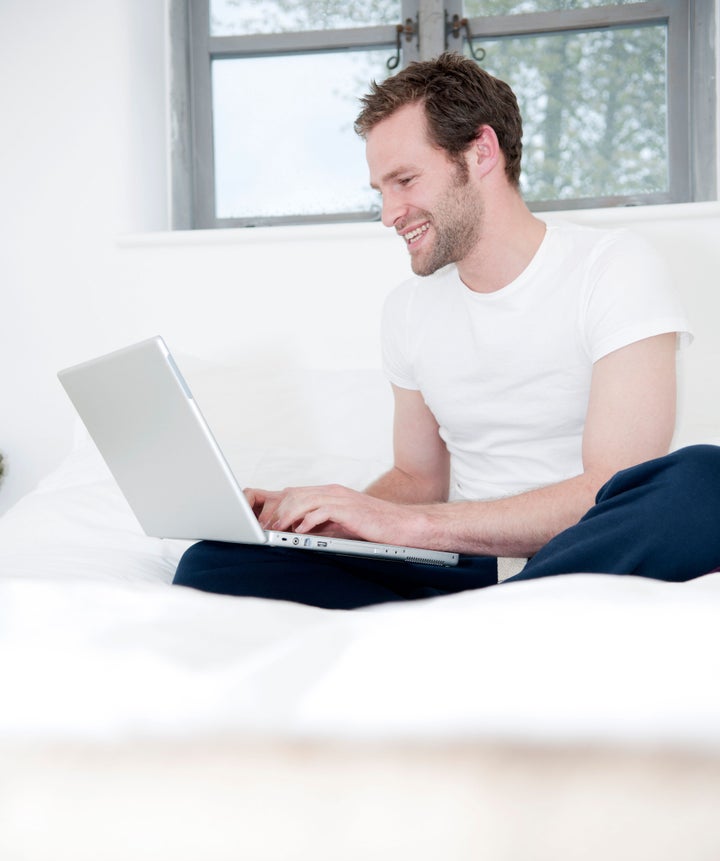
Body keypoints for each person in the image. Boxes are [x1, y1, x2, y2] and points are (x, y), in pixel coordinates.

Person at [174, 52, 720, 606]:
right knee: (213, 561)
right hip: (465, 563)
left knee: (706, 481)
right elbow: (418, 480)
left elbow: (611, 486)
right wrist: (324, 520)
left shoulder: (613, 266)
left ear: (481, 152)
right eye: (381, 191)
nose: (389, 213)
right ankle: (489, 620)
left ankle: (472, 618)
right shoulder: (407, 310)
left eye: (405, 180)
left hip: (582, 551)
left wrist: (411, 526)